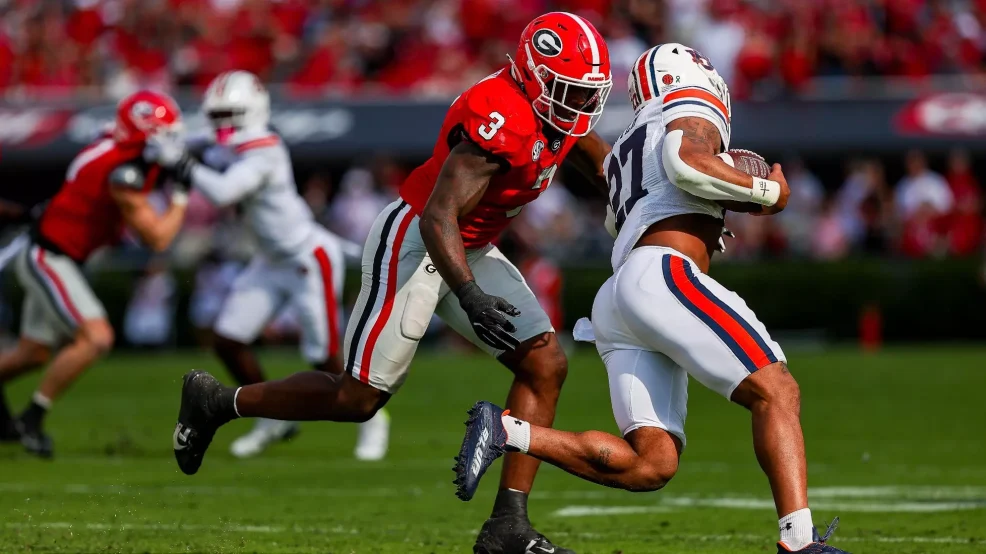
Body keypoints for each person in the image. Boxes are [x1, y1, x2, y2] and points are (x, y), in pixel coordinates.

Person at [168, 13, 614, 554]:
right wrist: (469, 294)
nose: (579, 104)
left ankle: (508, 526)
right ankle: (218, 401)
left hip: (470, 244)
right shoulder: (504, 115)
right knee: (358, 398)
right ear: (531, 76)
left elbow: (594, 155)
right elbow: (438, 216)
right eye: (568, 90)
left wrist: (632, 199)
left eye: (586, 92)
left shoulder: (556, 112)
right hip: (418, 240)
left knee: (545, 364)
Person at [455, 43, 851, 554]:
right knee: (777, 390)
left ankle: (507, 431)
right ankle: (798, 541)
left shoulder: (628, 143)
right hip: (663, 275)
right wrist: (766, 193)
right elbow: (685, 162)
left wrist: (723, 195)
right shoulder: (688, 105)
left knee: (651, 464)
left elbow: (644, 201)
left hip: (621, 296)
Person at [146, 70, 390, 461]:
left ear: (254, 110)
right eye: (217, 115)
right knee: (227, 340)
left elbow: (224, 191)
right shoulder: (230, 140)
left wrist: (179, 162)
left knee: (324, 356)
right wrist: (161, 140)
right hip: (269, 260)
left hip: (306, 258)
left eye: (230, 114)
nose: (223, 124)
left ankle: (373, 419)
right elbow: (197, 138)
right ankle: (271, 417)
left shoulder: (265, 148)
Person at [0, 91, 189, 457]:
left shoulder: (117, 146)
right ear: (141, 134)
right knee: (96, 337)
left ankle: (23, 420)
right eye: (163, 134)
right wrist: (181, 193)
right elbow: (158, 238)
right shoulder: (123, 171)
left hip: (56, 252)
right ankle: (32, 419)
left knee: (33, 354)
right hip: (49, 257)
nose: (171, 142)